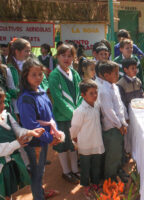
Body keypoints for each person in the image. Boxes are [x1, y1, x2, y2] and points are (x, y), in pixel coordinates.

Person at [18, 58, 62, 199]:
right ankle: (39, 197)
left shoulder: (41, 90)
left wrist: (54, 133)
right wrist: (50, 138)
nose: (38, 78)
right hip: (34, 141)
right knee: (37, 172)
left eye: (40, 74)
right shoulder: (26, 98)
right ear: (25, 76)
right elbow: (31, 125)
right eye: (34, 75)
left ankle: (40, 193)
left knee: (40, 169)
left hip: (43, 138)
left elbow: (50, 115)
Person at [0, 87, 44, 200]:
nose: (3, 106)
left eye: (4, 102)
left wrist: (30, 133)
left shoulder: (7, 116)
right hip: (1, 166)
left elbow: (18, 130)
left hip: (12, 163)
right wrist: (16, 144)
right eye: (0, 103)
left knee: (10, 190)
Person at [48, 43, 82, 184]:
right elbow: (58, 99)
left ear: (74, 58)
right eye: (63, 55)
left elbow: (80, 94)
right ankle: (66, 171)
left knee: (73, 144)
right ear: (58, 57)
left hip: (74, 116)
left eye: (70, 56)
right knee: (62, 145)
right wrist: (73, 114)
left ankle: (75, 170)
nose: (66, 59)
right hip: (62, 117)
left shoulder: (74, 73)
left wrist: (78, 111)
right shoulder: (55, 75)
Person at [70, 80, 105, 198]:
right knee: (85, 168)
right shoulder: (80, 111)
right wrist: (75, 140)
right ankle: (86, 186)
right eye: (91, 93)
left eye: (96, 92)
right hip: (85, 146)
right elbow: (74, 128)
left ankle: (95, 184)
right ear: (83, 95)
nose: (95, 95)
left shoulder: (97, 106)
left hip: (97, 143)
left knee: (96, 166)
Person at [98, 61, 128, 180]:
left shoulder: (114, 86)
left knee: (118, 152)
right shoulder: (104, 91)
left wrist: (124, 121)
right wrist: (119, 125)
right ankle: (110, 178)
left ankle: (117, 172)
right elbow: (109, 111)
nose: (118, 75)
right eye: (115, 73)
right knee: (112, 154)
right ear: (106, 75)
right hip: (112, 128)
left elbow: (119, 105)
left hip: (118, 125)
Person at [6, 38, 31, 115]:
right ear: (17, 52)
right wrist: (22, 93)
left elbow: (43, 81)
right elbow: (6, 90)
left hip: (31, 106)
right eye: (26, 51)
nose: (29, 53)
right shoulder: (8, 68)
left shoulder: (30, 65)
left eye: (30, 51)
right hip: (16, 108)